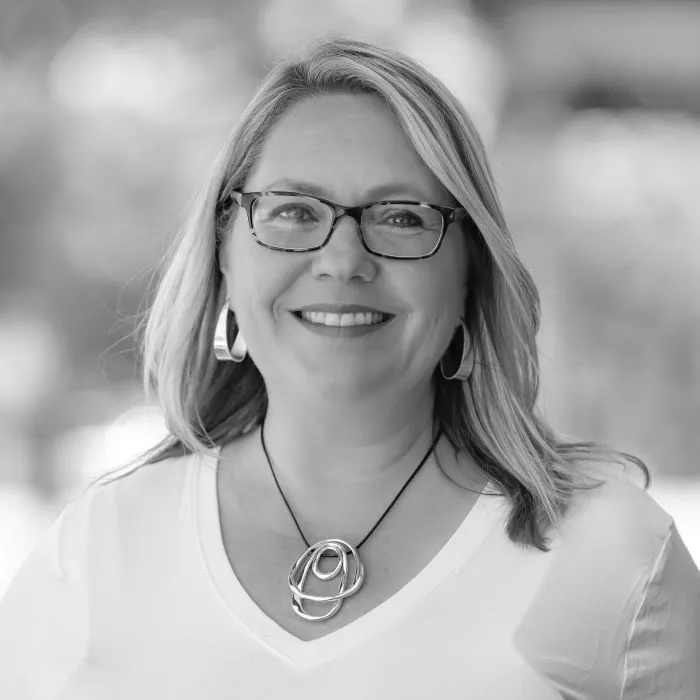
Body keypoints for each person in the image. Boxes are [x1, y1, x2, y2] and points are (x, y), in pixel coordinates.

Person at [1, 37, 698, 699]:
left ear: (470, 273)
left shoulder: (612, 555)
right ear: (224, 254)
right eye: (295, 211)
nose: (342, 260)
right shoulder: (99, 550)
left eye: (399, 217)